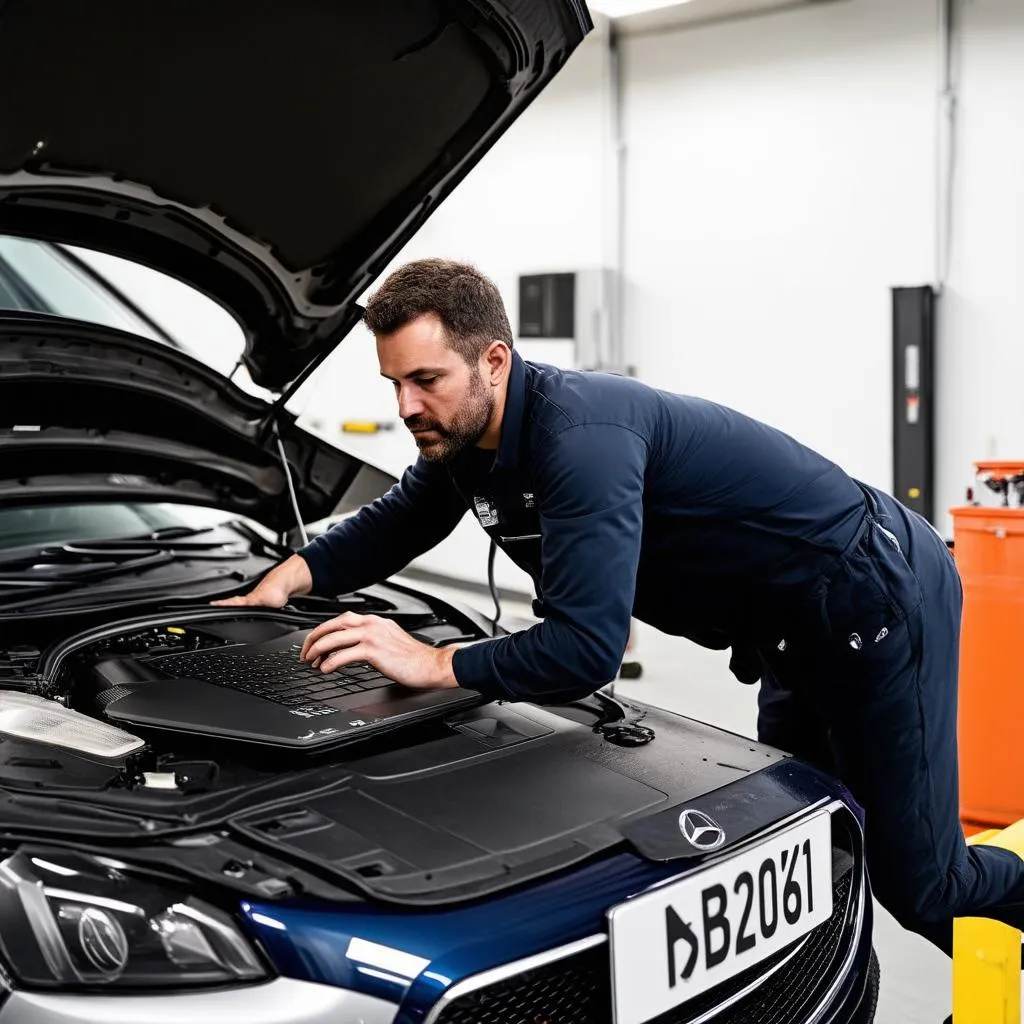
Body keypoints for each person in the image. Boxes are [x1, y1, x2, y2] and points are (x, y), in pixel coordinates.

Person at [214, 257, 1024, 953]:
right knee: (804, 837)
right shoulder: (469, 443)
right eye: (395, 384)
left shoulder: (579, 440)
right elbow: (402, 518)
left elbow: (583, 652)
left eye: (427, 380)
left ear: (494, 362)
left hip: (872, 591)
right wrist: (294, 573)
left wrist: (433, 662)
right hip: (789, 625)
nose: (407, 408)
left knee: (923, 883)